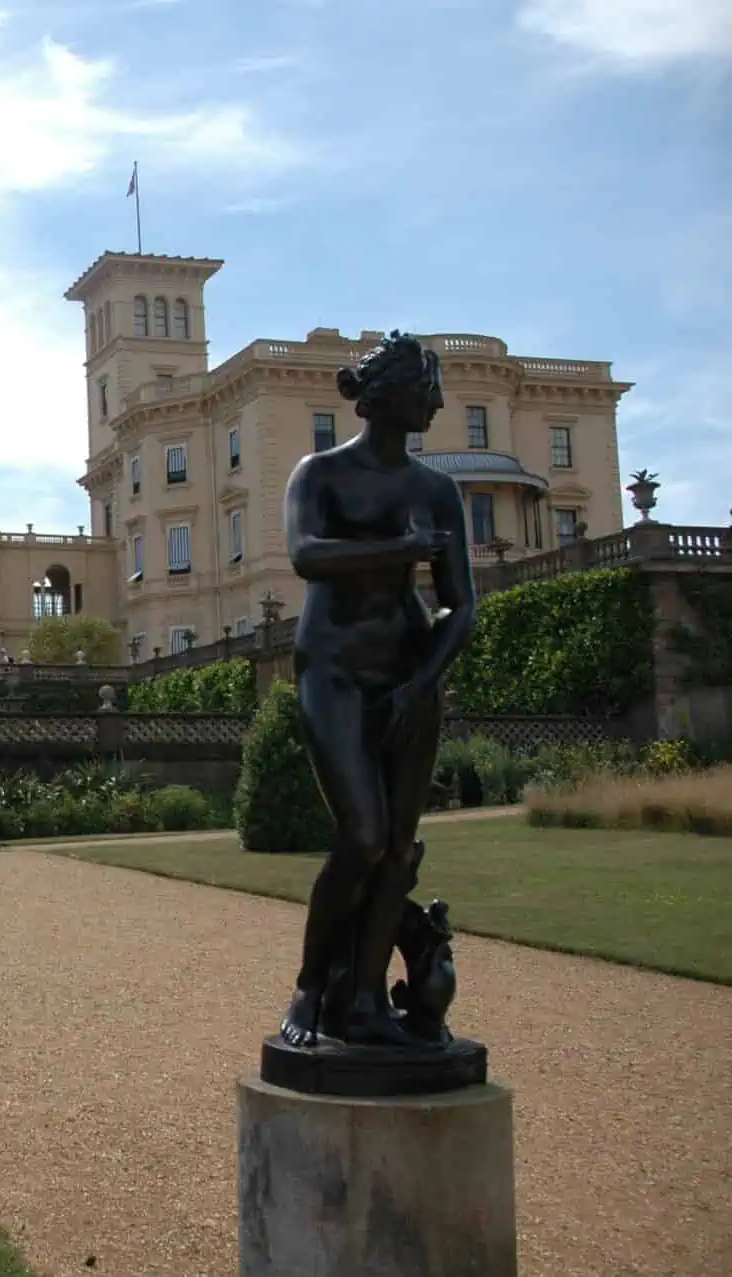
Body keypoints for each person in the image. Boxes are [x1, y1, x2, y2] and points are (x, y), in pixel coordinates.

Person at [279, 331, 477, 1050]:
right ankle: (309, 986)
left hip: (407, 674)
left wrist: (421, 683)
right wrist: (400, 551)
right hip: (332, 667)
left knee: (397, 847)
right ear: (390, 394)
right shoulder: (319, 473)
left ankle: (364, 1001)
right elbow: (306, 557)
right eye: (430, 387)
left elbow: (463, 605)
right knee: (360, 834)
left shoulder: (437, 489)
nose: (440, 401)